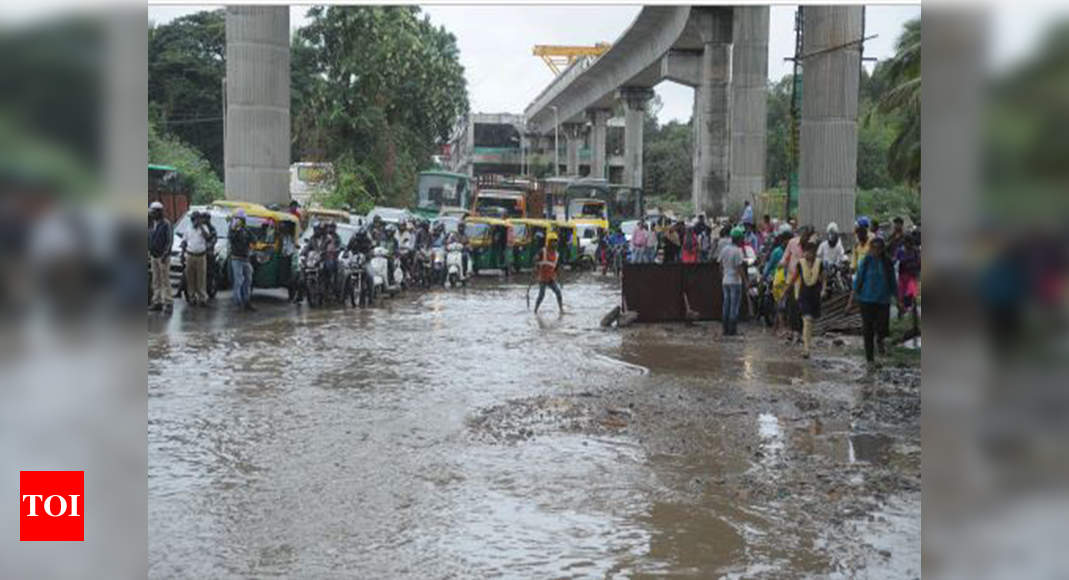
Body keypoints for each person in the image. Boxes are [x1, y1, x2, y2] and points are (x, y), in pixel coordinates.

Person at [847, 236, 900, 364]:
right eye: (873, 248)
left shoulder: (887, 263)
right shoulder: (866, 261)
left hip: (883, 300)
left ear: (882, 249)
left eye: (878, 249)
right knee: (867, 329)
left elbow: (893, 282)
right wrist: (851, 301)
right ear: (870, 249)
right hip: (866, 299)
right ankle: (869, 358)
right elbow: (858, 281)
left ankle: (880, 340)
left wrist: (898, 300)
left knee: (882, 327)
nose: (875, 251)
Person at [788, 241, 826, 359]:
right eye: (806, 252)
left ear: (814, 253)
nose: (808, 254)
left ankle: (807, 342)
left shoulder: (819, 264)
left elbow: (824, 278)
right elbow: (795, 277)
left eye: (810, 252)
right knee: (807, 320)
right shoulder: (801, 264)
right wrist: (788, 289)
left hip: (815, 295)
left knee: (811, 322)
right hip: (804, 295)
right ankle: (806, 348)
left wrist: (823, 290)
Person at [720, 226, 747, 336]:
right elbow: (740, 268)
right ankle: (732, 330)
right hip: (735, 282)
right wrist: (746, 281)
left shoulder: (725, 249)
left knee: (726, 305)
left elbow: (720, 265)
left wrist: (723, 275)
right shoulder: (737, 251)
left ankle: (725, 329)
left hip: (725, 281)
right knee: (734, 306)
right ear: (739, 239)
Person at [148, 201, 173, 312]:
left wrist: (165, 254)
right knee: (156, 280)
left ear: (159, 212)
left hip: (163, 257)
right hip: (154, 256)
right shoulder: (152, 224)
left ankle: (168, 302)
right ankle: (157, 301)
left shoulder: (166, 224)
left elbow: (169, 240)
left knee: (165, 280)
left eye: (153, 212)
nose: (151, 214)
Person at [182, 211, 212, 306]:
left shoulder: (204, 228)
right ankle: (192, 297)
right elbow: (184, 242)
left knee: (201, 278)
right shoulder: (188, 229)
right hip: (190, 255)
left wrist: (201, 227)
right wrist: (182, 254)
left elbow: (208, 237)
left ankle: (202, 298)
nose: (195, 221)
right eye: (194, 219)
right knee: (190, 277)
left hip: (201, 256)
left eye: (197, 219)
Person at [228, 209, 255, 311]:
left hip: (246, 258)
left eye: (242, 219)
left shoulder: (246, 230)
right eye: (239, 219)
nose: (240, 221)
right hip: (236, 259)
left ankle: (246, 301)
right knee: (238, 281)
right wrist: (235, 229)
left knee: (248, 280)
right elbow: (231, 239)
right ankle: (238, 303)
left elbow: (253, 239)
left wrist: (251, 246)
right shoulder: (233, 230)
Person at [895, 231, 921, 332]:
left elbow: (919, 262)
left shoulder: (915, 251)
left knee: (910, 293)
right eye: (906, 242)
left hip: (912, 276)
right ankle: (901, 316)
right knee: (901, 297)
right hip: (902, 276)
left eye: (909, 242)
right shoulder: (900, 251)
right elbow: (895, 262)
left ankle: (912, 316)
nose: (907, 245)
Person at [533, 232, 563, 314]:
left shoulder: (557, 254)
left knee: (558, 292)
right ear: (549, 242)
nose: (554, 243)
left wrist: (560, 278)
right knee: (542, 295)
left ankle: (561, 309)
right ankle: (535, 310)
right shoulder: (542, 251)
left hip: (551, 278)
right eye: (552, 241)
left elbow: (556, 267)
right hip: (542, 277)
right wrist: (536, 266)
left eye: (555, 241)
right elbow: (535, 259)